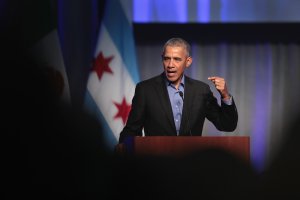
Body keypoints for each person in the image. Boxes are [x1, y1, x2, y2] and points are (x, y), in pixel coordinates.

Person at [119, 37, 238, 143]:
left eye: (177, 59)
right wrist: (123, 147)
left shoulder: (201, 90)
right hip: (155, 163)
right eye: (166, 59)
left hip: (190, 163)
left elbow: (227, 125)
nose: (170, 64)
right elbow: (131, 130)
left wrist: (225, 96)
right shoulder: (145, 90)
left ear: (188, 62)